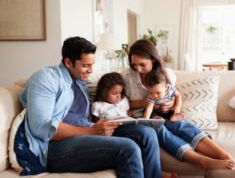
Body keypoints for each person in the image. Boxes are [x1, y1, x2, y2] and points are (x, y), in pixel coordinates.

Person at [15, 36, 163, 178]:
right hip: (54, 147)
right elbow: (41, 127)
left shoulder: (80, 82)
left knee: (146, 133)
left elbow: (107, 90)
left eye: (92, 65)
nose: (91, 70)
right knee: (128, 148)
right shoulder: (46, 79)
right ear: (68, 62)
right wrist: (90, 131)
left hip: (86, 131)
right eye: (85, 65)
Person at [122, 39, 235, 171]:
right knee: (158, 129)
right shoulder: (127, 77)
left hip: (163, 112)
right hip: (142, 116)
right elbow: (122, 105)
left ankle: (226, 156)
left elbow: (173, 96)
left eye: (142, 64)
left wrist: (170, 105)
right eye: (134, 65)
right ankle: (203, 162)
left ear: (153, 60)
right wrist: (146, 102)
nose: (138, 69)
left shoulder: (166, 74)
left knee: (180, 125)